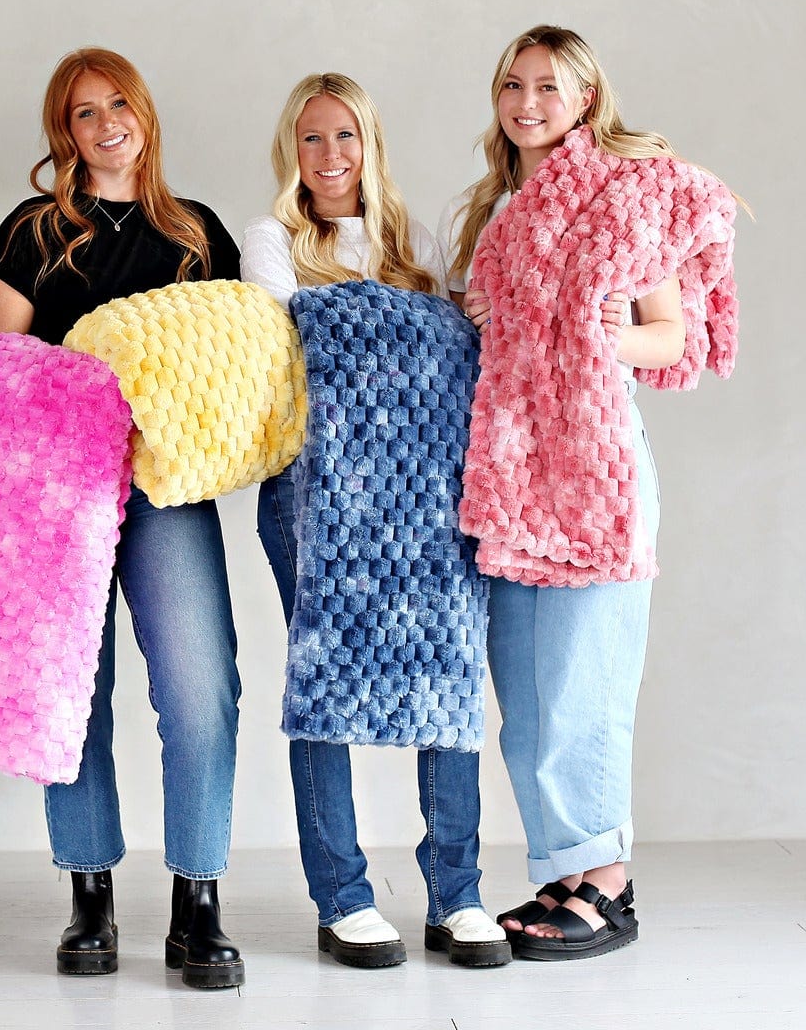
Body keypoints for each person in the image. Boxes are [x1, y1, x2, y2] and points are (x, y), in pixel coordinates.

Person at [433, 25, 737, 961]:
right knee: (528, 691)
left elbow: (673, 344)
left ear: (587, 100)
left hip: (594, 469)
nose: (528, 103)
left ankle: (608, 883)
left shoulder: (626, 195)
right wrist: (476, 313)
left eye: (549, 88)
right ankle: (565, 876)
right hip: (516, 470)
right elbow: (503, 350)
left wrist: (607, 335)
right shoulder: (502, 209)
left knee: (586, 683)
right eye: (512, 85)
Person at [0, 47, 247, 990]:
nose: (105, 125)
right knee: (73, 696)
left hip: (169, 490)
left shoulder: (197, 234)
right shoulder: (32, 232)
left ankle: (197, 901)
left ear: (144, 113)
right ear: (65, 132)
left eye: (118, 104)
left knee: (200, 691)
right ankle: (88, 895)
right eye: (83, 112)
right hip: (58, 492)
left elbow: (236, 365)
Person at [240, 72, 511, 969]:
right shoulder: (269, 239)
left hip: (425, 496)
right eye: (312, 139)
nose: (330, 156)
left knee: (447, 676)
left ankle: (457, 895)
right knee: (325, 674)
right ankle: (342, 897)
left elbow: (450, 343)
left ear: (370, 144)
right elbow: (286, 347)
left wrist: (373, 325)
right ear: (293, 149)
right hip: (312, 493)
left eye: (345, 136)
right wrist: (400, 325)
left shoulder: (413, 238)